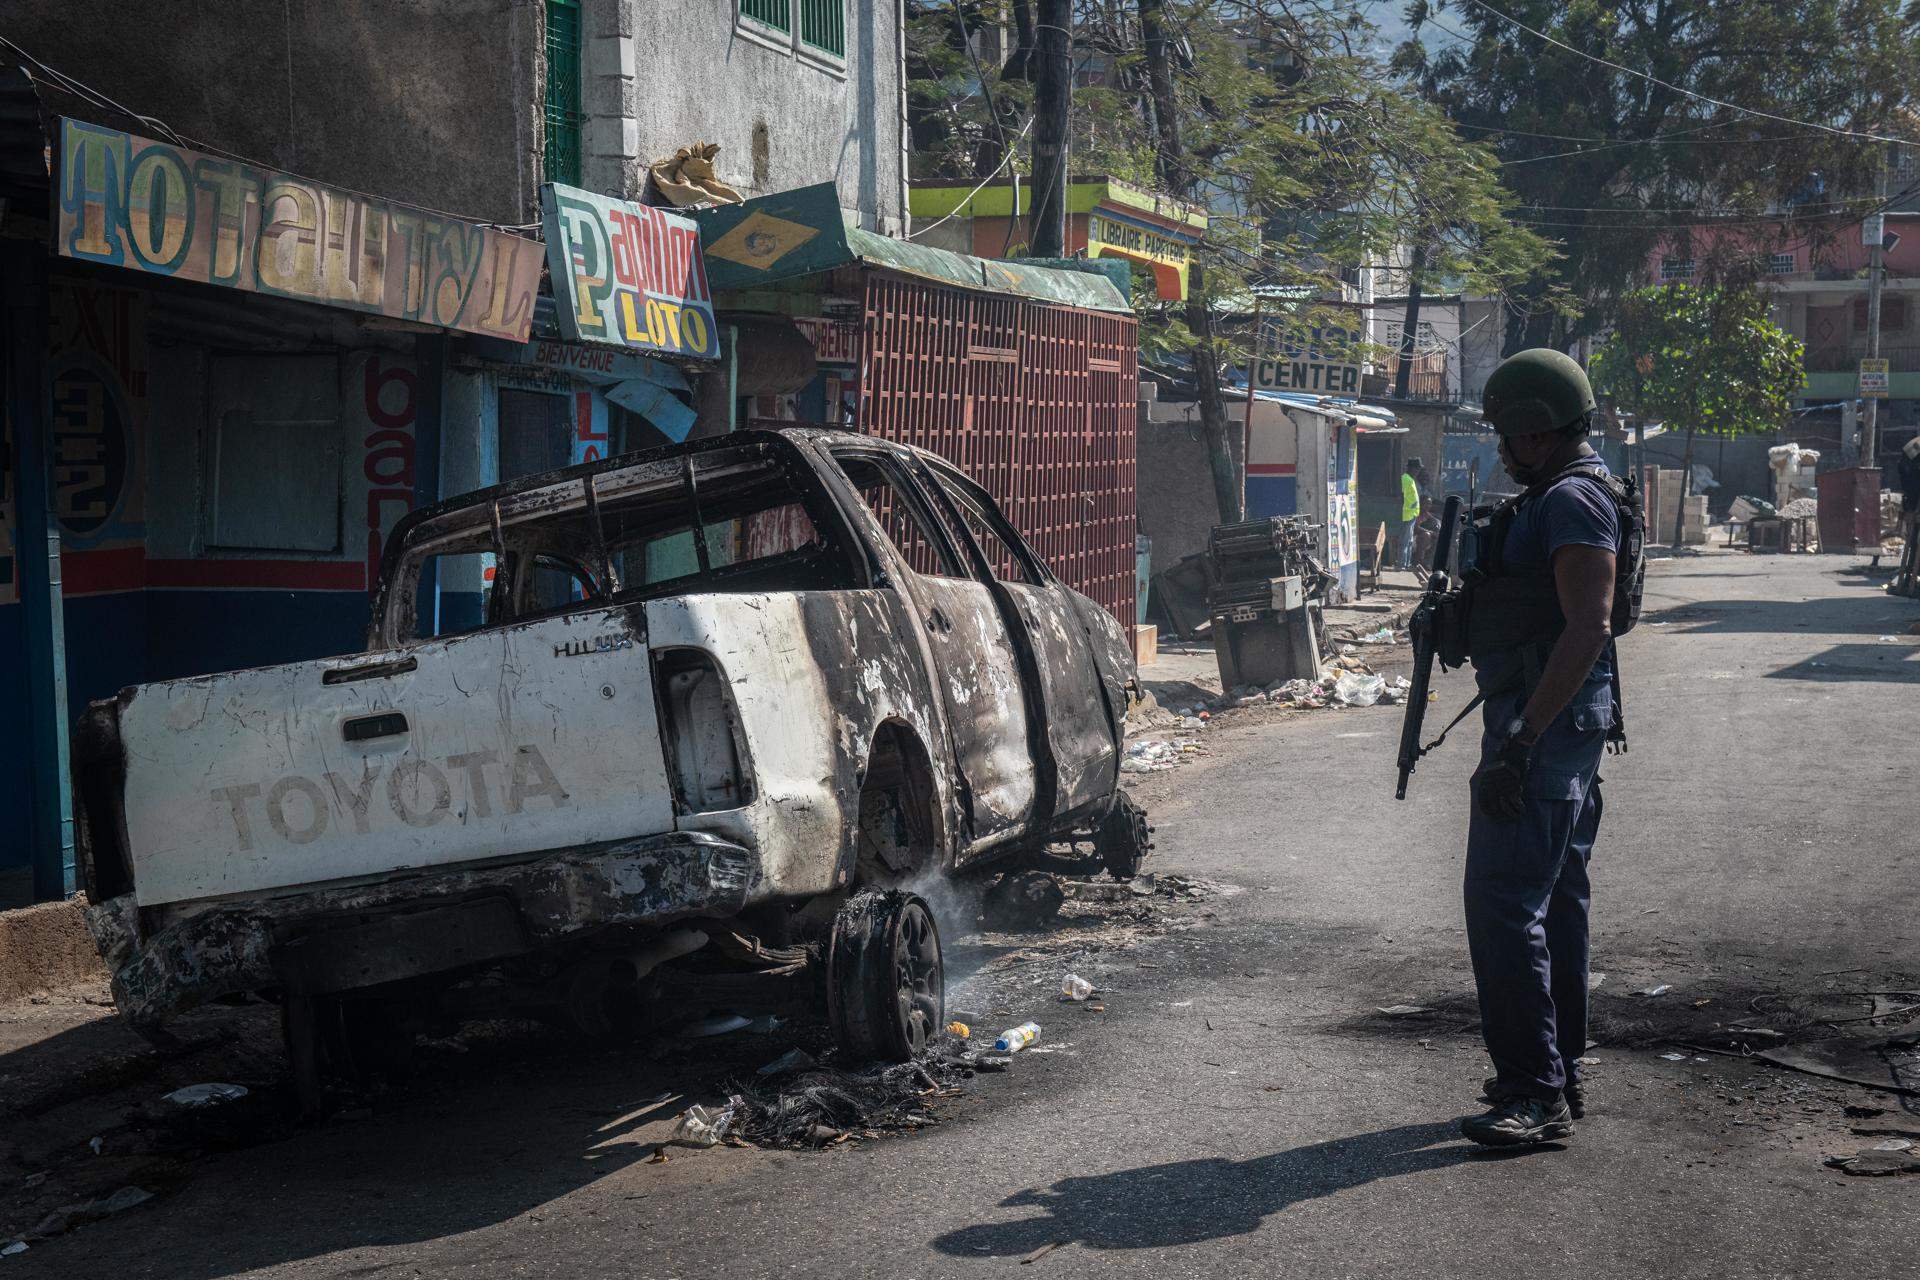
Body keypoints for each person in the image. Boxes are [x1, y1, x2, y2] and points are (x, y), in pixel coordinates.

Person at [1457, 348, 1628, 1148]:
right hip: (1552, 723)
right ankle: (1554, 1070)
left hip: (1545, 727)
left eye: (1506, 433)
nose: (1500, 449)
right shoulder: (1567, 495)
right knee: (1553, 898)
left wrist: (1521, 743)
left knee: (1503, 903)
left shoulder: (1572, 503)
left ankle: (1534, 1093)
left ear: (1535, 431)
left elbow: (1588, 626)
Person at [1400, 458, 1429, 569]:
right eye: (1416, 469)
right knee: (1404, 541)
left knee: (1409, 541)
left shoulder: (1411, 479)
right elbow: (1402, 496)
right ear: (1411, 468)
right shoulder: (1405, 479)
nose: (1418, 471)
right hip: (1406, 515)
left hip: (1412, 515)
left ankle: (1407, 564)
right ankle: (1402, 564)